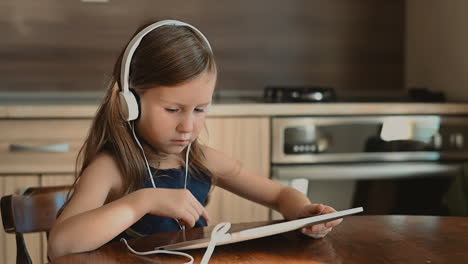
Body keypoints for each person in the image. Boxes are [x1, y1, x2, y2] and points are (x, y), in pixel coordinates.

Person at [47, 19, 342, 260]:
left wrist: (305, 212)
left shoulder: (202, 160)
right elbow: (61, 244)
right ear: (130, 104)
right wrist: (142, 201)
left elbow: (279, 195)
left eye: (200, 110)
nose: (187, 126)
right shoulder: (111, 168)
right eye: (173, 110)